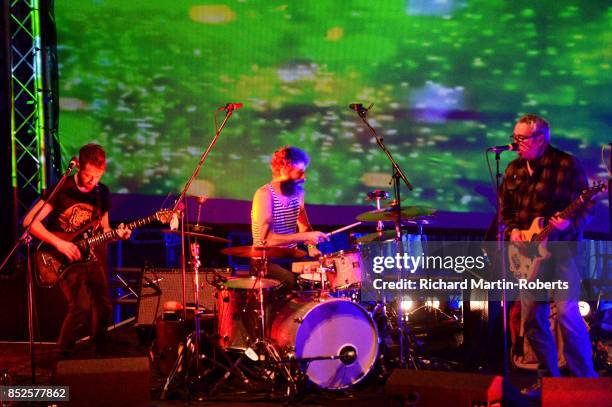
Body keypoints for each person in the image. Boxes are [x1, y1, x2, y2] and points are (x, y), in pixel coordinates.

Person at [500, 114, 597, 397]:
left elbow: (587, 207)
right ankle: (547, 381)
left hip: (563, 251)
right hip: (529, 256)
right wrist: (514, 231)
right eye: (515, 137)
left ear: (541, 138)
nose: (515, 143)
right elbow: (505, 210)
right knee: (531, 318)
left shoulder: (567, 164)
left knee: (567, 314)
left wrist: (570, 223)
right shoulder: (514, 170)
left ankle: (585, 383)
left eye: (522, 138)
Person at [23, 143, 131, 357]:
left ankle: (99, 355)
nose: (94, 182)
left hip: (90, 258)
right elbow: (29, 222)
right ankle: (62, 355)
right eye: (89, 176)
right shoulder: (61, 189)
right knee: (81, 307)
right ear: (79, 167)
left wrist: (117, 234)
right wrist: (59, 243)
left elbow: (105, 228)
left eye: (98, 177)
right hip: (62, 257)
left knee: (104, 309)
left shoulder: (102, 193)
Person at [251, 146, 329, 290]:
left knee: (323, 276)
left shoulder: (298, 192)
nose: (304, 178)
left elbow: (304, 226)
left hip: (291, 257)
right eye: (300, 172)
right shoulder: (264, 194)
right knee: (292, 282)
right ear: (284, 168)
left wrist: (311, 247)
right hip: (265, 261)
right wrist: (305, 236)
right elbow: (266, 239)